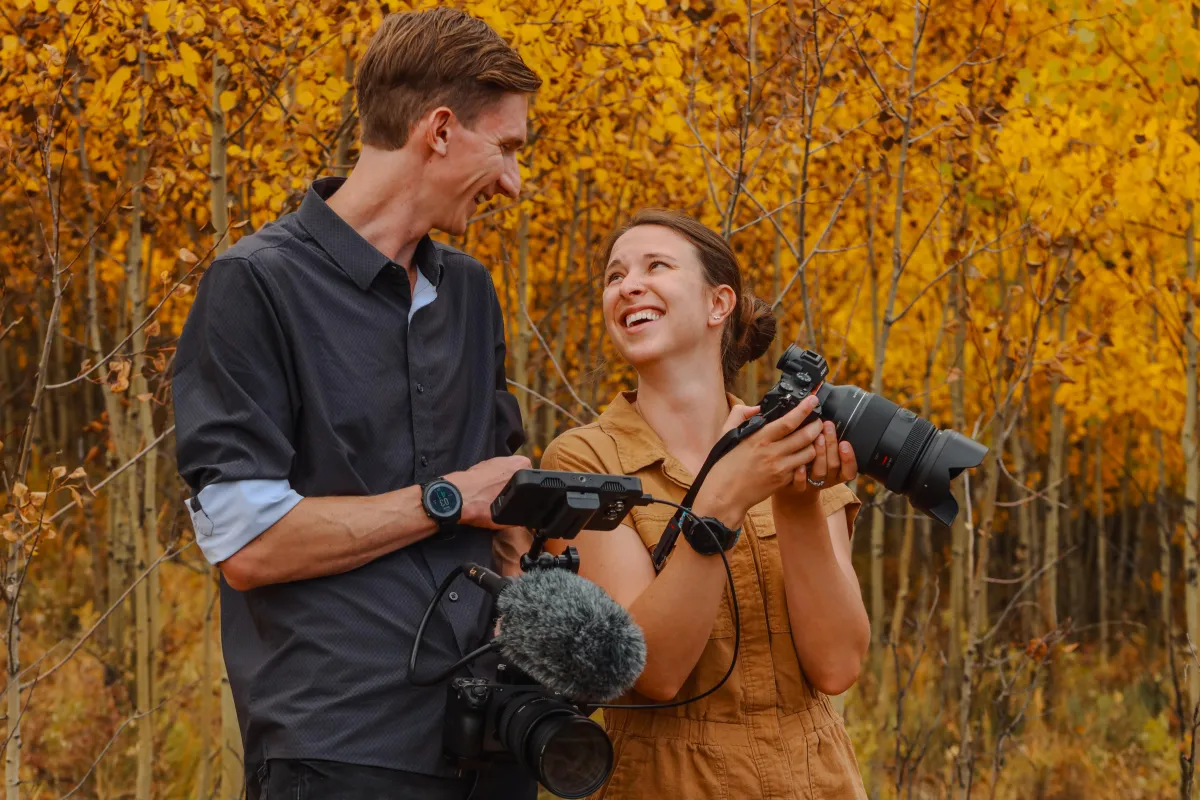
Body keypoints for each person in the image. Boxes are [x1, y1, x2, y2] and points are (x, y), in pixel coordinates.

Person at [172, 8, 543, 799]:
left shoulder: (472, 293)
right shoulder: (255, 285)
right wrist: (446, 501)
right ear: (439, 130)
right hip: (341, 750)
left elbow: (504, 492)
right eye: (506, 148)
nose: (514, 181)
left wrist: (519, 604)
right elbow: (249, 544)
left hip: (496, 742)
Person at [540, 209, 871, 799]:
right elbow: (651, 672)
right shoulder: (586, 461)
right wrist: (724, 499)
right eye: (615, 277)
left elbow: (837, 665)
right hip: (667, 780)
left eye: (655, 266)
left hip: (817, 779)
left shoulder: (793, 445)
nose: (628, 285)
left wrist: (797, 508)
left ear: (720, 303)